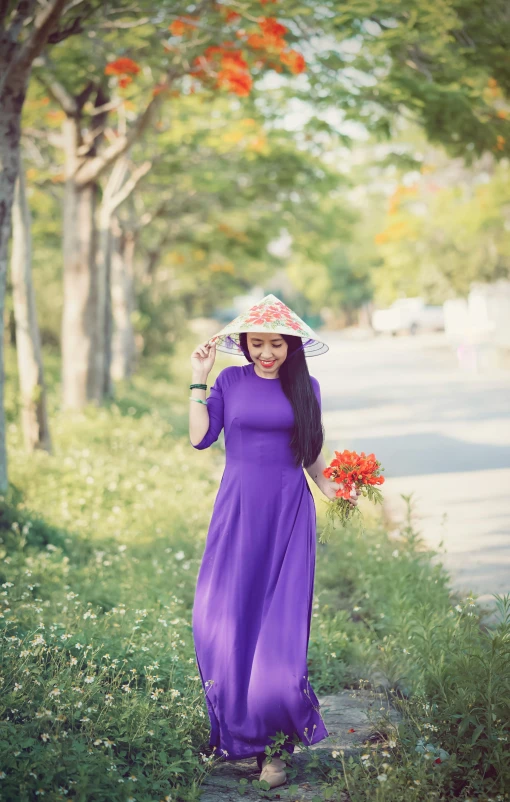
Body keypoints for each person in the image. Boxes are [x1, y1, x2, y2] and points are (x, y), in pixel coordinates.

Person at [188, 294, 360, 789]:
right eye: (257, 343)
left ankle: (274, 749)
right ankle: (239, 741)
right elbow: (201, 437)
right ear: (243, 343)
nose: (267, 353)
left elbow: (311, 458)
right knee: (220, 622)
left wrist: (339, 491)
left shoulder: (307, 387)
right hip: (238, 511)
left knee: (280, 634)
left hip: (288, 513)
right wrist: (199, 376)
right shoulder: (229, 380)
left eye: (276, 345)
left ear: (292, 345)